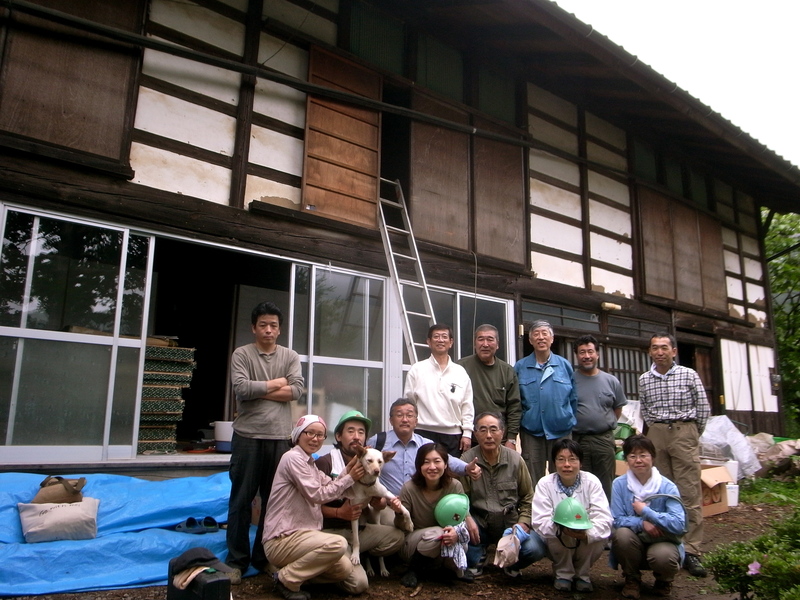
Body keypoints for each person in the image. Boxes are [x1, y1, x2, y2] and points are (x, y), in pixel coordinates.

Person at [263, 415, 403, 600]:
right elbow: (318, 495)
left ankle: (295, 573)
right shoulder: (293, 459)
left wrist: (351, 468)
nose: (315, 438)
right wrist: (351, 479)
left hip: (309, 539)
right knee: (338, 544)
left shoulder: (310, 464)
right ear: (298, 435)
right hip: (285, 537)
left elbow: (334, 485)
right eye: (310, 433)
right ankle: (286, 578)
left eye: (320, 435)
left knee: (345, 571)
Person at [226, 301, 304, 581]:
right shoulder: (242, 354)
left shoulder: (290, 355)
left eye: (273, 325)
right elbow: (241, 388)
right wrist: (277, 383)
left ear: (279, 330)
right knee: (240, 501)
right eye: (263, 325)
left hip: (280, 438)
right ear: (254, 327)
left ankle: (264, 558)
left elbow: (296, 392)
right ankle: (236, 561)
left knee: (274, 502)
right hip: (247, 437)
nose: (268, 330)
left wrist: (259, 390)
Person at [639, 333, 711, 578]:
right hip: (657, 431)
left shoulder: (689, 374)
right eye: (655, 348)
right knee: (661, 491)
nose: (659, 352)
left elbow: (703, 408)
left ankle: (691, 550)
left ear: (674, 351)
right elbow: (645, 410)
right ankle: (668, 543)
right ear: (650, 352)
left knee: (689, 491)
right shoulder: (644, 379)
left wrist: (690, 433)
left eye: (664, 348)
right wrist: (657, 429)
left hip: (684, 430)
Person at [460, 412, 546, 577]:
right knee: (460, 534)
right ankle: (478, 554)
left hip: (509, 524)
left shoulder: (515, 460)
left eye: (494, 429)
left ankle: (512, 562)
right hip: (479, 525)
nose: (489, 435)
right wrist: (467, 519)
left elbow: (528, 497)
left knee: (535, 548)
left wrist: (523, 524)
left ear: (503, 432)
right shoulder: (467, 460)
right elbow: (460, 498)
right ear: (475, 434)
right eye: (483, 430)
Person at [314, 411, 404, 568]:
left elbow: (377, 495)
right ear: (338, 436)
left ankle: (359, 554)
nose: (356, 436)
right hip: (330, 531)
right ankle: (340, 558)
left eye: (361, 432)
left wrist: (380, 503)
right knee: (357, 584)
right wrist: (338, 513)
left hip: (358, 529)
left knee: (397, 537)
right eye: (350, 431)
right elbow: (310, 505)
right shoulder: (325, 463)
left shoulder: (370, 462)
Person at [530, 439, 612, 593]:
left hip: (586, 536)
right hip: (558, 536)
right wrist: (561, 528)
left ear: (580, 463)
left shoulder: (592, 482)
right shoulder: (545, 483)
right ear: (554, 463)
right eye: (561, 459)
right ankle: (563, 573)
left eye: (572, 459)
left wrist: (586, 532)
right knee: (558, 532)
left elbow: (604, 517)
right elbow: (540, 520)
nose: (566, 464)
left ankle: (583, 574)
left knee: (598, 536)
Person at [611, 435, 686, 600]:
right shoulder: (619, 484)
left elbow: (679, 524)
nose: (638, 460)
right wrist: (642, 523)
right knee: (621, 534)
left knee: (663, 556)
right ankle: (632, 579)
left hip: (662, 540)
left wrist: (647, 512)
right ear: (626, 460)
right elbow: (616, 519)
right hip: (634, 541)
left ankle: (664, 580)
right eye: (632, 456)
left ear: (652, 457)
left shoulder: (667, 486)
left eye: (643, 455)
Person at [397, 443, 479, 587]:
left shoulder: (455, 486)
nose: (432, 467)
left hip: (445, 538)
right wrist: (398, 512)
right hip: (415, 543)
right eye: (426, 462)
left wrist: (456, 532)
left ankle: (446, 570)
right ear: (419, 466)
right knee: (437, 533)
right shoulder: (409, 488)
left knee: (459, 539)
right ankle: (413, 570)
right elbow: (400, 526)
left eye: (437, 461)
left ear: (446, 464)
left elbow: (459, 519)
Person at [365, 398, 481, 498]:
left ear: (416, 421)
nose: (405, 419)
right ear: (391, 420)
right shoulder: (378, 442)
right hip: (386, 505)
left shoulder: (425, 444)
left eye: (409, 415)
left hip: (417, 507)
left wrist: (466, 468)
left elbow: (446, 459)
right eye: (399, 415)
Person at [514, 320, 577, 483]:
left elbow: (573, 398)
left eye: (545, 334)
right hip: (532, 431)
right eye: (536, 334)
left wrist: (565, 417)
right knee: (531, 477)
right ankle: (534, 508)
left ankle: (564, 507)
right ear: (530, 340)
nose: (541, 338)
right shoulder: (520, 367)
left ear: (552, 338)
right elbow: (515, 401)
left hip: (561, 430)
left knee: (564, 473)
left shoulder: (564, 365)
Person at [404, 324, 474, 457]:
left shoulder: (460, 372)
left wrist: (467, 433)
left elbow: (467, 405)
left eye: (444, 337)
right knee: (423, 472)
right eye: (436, 337)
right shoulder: (417, 369)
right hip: (422, 432)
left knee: (451, 474)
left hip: (453, 436)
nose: (440, 340)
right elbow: (409, 404)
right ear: (429, 342)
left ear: (451, 342)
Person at [572, 334, 628, 499]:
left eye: (590, 351)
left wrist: (602, 422)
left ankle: (605, 522)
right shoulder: (570, 380)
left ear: (597, 354)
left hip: (603, 440)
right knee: (580, 483)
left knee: (605, 484)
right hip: (577, 439)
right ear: (577, 356)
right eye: (582, 352)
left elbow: (617, 409)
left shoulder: (611, 381)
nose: (587, 356)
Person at [457, 324, 521, 449]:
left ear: (497, 344)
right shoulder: (460, 368)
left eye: (490, 339)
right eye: (480, 339)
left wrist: (512, 439)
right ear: (475, 343)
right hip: (467, 439)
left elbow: (515, 407)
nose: (485, 344)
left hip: (498, 440)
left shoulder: (507, 371)